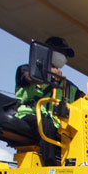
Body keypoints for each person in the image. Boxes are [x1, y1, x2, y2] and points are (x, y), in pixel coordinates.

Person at [15, 37, 81, 166]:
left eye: (66, 55)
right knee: (46, 125)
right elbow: (28, 77)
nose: (64, 57)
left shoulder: (67, 84)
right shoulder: (26, 69)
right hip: (30, 115)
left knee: (74, 134)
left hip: (55, 123)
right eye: (61, 52)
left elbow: (84, 98)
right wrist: (47, 75)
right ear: (47, 51)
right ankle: (50, 167)